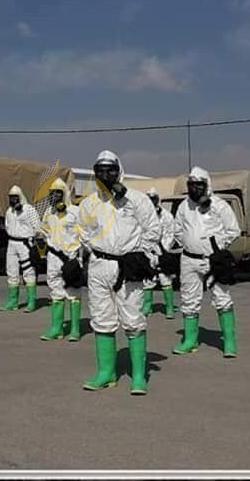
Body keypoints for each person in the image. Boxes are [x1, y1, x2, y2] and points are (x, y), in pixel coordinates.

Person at [78, 150, 161, 395]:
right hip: (99, 266)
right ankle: (107, 373)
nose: (106, 175)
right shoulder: (89, 203)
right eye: (100, 170)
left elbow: (153, 229)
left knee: (133, 319)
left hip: (128, 266)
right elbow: (82, 231)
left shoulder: (136, 200)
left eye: (111, 170)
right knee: (102, 319)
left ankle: (139, 376)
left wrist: (139, 254)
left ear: (119, 171)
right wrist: (93, 251)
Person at [171, 167, 242, 358]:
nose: (194, 188)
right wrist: (188, 242)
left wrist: (218, 247)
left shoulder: (219, 205)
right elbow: (177, 230)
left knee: (222, 298)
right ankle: (190, 340)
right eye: (191, 185)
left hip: (213, 260)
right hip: (189, 259)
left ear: (207, 185)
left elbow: (233, 230)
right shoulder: (184, 206)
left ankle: (229, 341)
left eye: (198, 185)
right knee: (189, 300)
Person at [39, 177, 84, 342]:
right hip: (53, 257)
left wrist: (79, 255)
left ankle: (75, 329)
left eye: (58, 192)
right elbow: (44, 230)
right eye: (52, 193)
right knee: (55, 291)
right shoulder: (49, 212)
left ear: (64, 193)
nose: (55, 196)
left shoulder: (76, 212)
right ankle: (56, 329)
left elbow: (85, 234)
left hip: (71, 257)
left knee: (73, 292)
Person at [0, 185, 41, 313]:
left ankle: (31, 302)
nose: (13, 200)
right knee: (11, 272)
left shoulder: (29, 210)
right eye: (11, 197)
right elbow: (7, 226)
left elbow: (37, 227)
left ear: (20, 197)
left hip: (25, 244)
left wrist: (30, 237)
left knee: (29, 271)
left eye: (15, 197)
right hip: (12, 243)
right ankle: (13, 302)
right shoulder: (9, 211)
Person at [142, 188, 178, 319]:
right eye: (149, 199)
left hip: (163, 251)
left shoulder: (166, 216)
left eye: (153, 199)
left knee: (165, 279)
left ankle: (169, 308)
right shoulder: (142, 216)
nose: (151, 202)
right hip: (148, 251)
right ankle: (147, 306)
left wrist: (163, 249)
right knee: (148, 279)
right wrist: (147, 248)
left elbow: (171, 233)